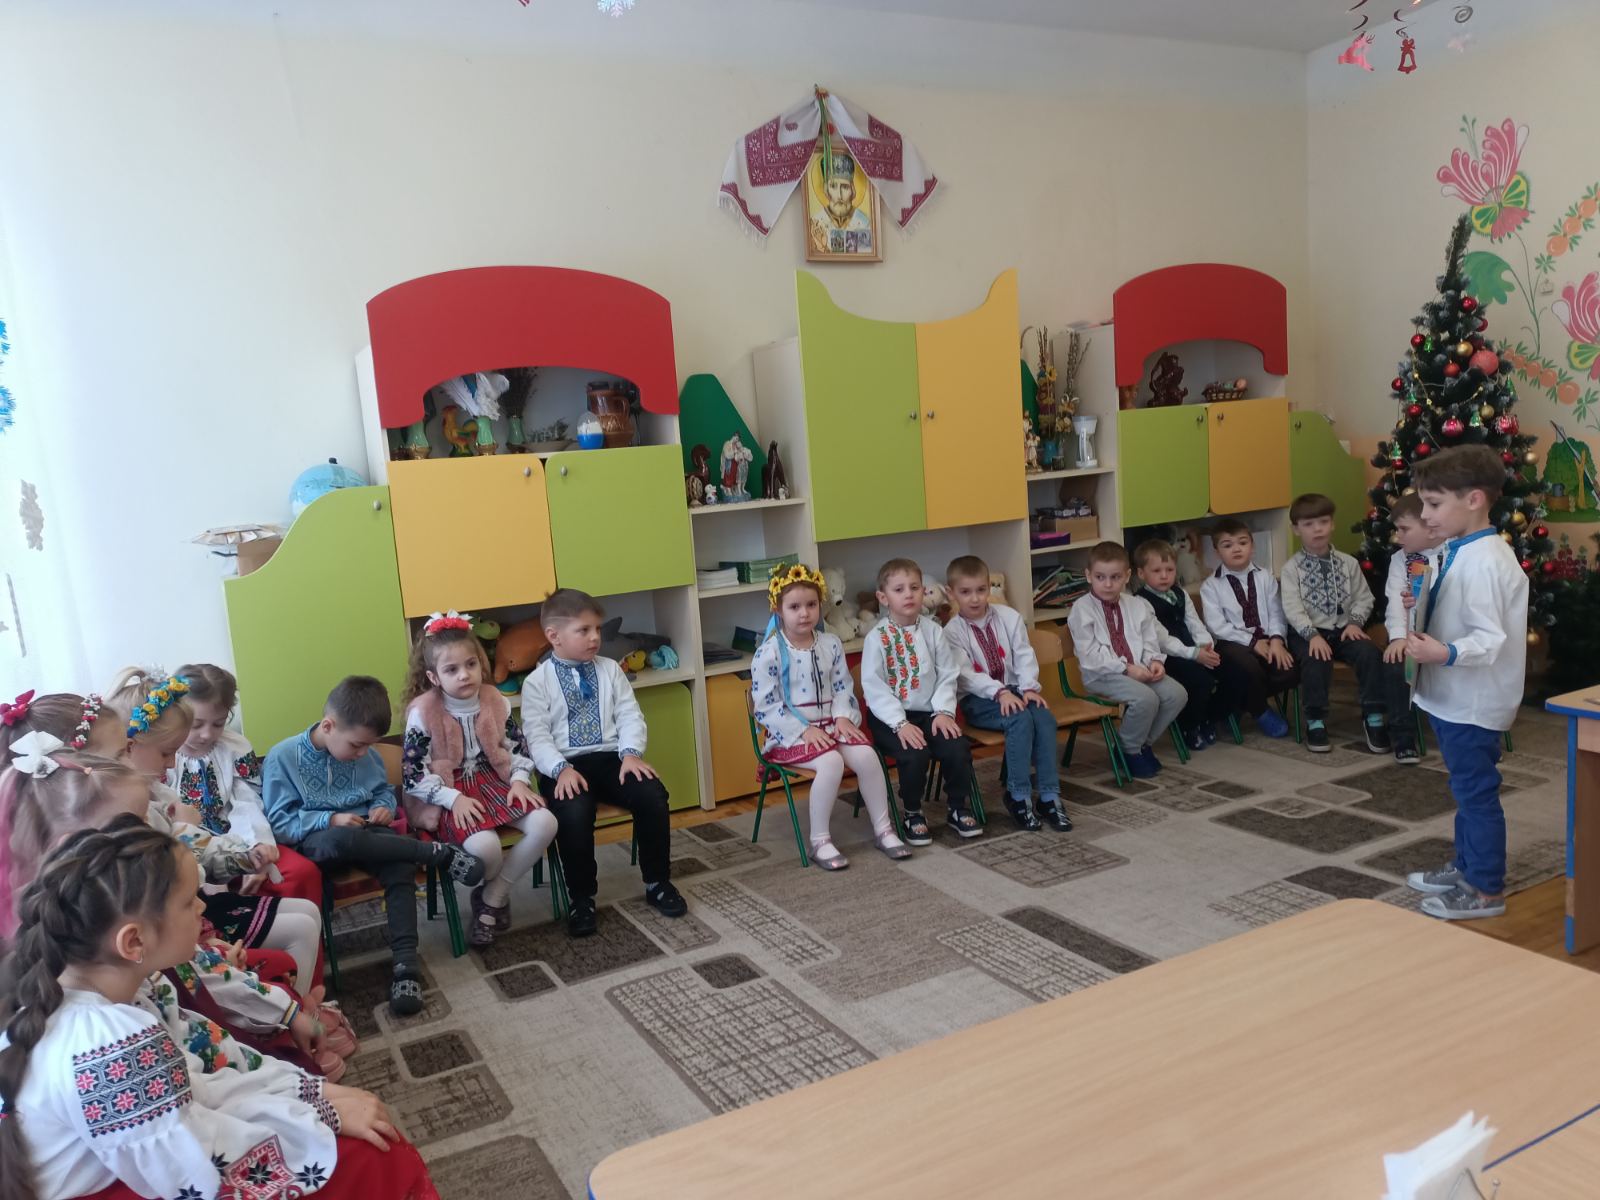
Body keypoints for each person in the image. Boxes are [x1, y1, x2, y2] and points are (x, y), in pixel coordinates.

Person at [0, 816, 438, 1200]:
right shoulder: (109, 1044)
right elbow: (195, 1163)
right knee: (373, 1156)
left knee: (356, 1132)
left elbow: (193, 1085)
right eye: (188, 901)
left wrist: (312, 1094)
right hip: (152, 1179)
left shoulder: (114, 998)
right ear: (134, 941)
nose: (202, 907)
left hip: (151, 1163)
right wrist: (320, 1115)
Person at [0, 703, 347, 1079]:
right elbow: (193, 1072)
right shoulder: (108, 1019)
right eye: (121, 751)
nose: (133, 760)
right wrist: (296, 1086)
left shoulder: (123, 933)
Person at [263, 676, 484, 1015]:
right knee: (344, 837)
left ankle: (406, 968)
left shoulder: (364, 751)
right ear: (328, 726)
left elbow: (381, 791)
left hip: (371, 836)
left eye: (369, 745)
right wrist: (330, 820)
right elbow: (280, 825)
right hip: (321, 843)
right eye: (356, 745)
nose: (363, 753)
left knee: (398, 863)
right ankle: (434, 853)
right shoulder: (282, 757)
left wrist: (383, 806)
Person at [100, 671, 324, 998]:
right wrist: (188, 829)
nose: (172, 762)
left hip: (198, 890)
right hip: (179, 919)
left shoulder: (158, 793)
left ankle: (302, 1002)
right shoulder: (132, 808)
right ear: (130, 747)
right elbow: (178, 873)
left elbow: (241, 808)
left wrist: (247, 854)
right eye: (166, 753)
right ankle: (298, 1009)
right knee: (300, 927)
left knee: (306, 907)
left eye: (218, 723)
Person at [1403, 445, 1528, 920]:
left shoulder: (1487, 561)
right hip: (1452, 698)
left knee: (1476, 795)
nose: (1425, 515)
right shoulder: (1462, 550)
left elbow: (1489, 639)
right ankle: (1468, 866)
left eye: (1434, 503)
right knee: (1465, 790)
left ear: (1474, 499)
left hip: (1473, 702)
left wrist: (1444, 652)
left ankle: (1485, 889)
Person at [521, 589, 685, 939]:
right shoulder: (537, 682)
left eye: (597, 628)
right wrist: (560, 769)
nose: (595, 637)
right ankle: (581, 898)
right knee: (574, 812)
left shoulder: (611, 670)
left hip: (613, 760)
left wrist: (631, 753)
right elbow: (536, 736)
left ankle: (658, 882)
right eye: (584, 630)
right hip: (563, 768)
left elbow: (630, 715)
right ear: (554, 636)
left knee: (652, 794)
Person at [399, 612, 558, 946]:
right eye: (451, 669)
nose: (464, 675)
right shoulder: (423, 711)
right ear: (433, 676)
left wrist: (519, 780)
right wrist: (453, 798)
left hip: (495, 781)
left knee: (546, 822)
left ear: (481, 663)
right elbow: (413, 775)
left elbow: (518, 746)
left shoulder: (494, 699)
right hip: (447, 791)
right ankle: (493, 893)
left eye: (471, 664)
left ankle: (492, 897)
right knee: (486, 848)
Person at [750, 565, 909, 870]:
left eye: (811, 605)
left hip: (832, 727)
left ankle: (884, 830)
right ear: (778, 609)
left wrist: (843, 717)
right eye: (794, 607)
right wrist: (803, 730)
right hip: (791, 736)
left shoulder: (830, 644)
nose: (804, 613)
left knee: (867, 756)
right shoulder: (768, 653)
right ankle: (820, 841)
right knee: (831, 761)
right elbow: (766, 706)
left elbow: (842, 687)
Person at [167, 663, 323, 906]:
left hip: (238, 839)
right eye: (196, 724)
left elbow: (247, 802)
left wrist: (255, 848)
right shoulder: (163, 753)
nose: (207, 734)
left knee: (301, 873)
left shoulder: (234, 747)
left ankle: (300, 928)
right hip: (184, 851)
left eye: (218, 723)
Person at [1279, 494, 1416, 762]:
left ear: (1332, 524)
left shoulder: (1348, 563)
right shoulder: (1291, 569)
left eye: (1323, 522)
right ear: (1296, 529)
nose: (1317, 529)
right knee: (1315, 658)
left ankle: (1373, 716)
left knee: (1369, 653)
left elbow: (1364, 598)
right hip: (1308, 632)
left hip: (1344, 629)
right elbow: (1292, 608)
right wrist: (1312, 635)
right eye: (1308, 524)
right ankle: (1315, 720)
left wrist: (1354, 623)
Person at [942, 555, 1069, 832]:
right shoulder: (951, 632)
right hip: (978, 699)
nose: (975, 598)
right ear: (951, 593)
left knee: (1044, 718)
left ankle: (1049, 796)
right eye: (965, 592)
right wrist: (999, 692)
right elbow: (965, 674)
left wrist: (1028, 687)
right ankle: (1018, 796)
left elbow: (1024, 654)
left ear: (990, 587)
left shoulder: (1009, 617)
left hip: (1017, 690)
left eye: (981, 590)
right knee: (1019, 720)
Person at [860, 559, 981, 845]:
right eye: (899, 589)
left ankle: (957, 806)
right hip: (890, 718)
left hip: (931, 712)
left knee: (956, 746)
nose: (908, 595)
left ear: (924, 591)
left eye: (914, 588)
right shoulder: (876, 638)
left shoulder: (933, 631)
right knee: (915, 754)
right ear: (883, 598)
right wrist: (899, 723)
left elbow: (947, 674)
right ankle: (913, 811)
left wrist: (943, 712)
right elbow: (874, 688)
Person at [1068, 542, 1186, 779]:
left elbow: (1149, 639)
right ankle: (1130, 750)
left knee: (1177, 694)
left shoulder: (1136, 605)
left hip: (1139, 669)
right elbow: (1090, 656)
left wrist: (1154, 661)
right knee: (1146, 699)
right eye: (1100, 577)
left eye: (1115, 577)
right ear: (1088, 576)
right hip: (1102, 675)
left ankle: (1137, 744)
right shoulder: (1082, 610)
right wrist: (1126, 669)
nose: (1108, 584)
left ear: (1127, 576)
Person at [1199, 520, 1299, 738]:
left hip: (1268, 638)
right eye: (1227, 545)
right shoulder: (1211, 586)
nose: (1236, 549)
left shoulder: (1265, 577)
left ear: (1252, 546)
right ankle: (1260, 710)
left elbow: (1276, 612)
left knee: (1289, 670)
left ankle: (1238, 703)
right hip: (1232, 643)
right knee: (1248, 669)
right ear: (1217, 552)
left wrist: (1276, 641)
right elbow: (1217, 626)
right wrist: (1252, 643)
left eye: (1242, 543)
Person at [1133, 539, 1222, 752]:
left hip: (1192, 650)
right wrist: (1193, 654)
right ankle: (1189, 726)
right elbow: (1162, 639)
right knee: (1200, 680)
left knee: (1224, 670)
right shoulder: (1141, 602)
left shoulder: (1180, 594)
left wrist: (1205, 645)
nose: (1164, 576)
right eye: (1157, 571)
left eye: (1170, 570)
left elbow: (1194, 622)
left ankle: (1208, 716)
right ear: (1141, 573)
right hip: (1166, 657)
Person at [1382, 492, 1443, 664]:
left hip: (1447, 639)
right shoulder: (1400, 559)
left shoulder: (1455, 553)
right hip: (1411, 637)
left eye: (1404, 529)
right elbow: (1395, 599)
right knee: (1395, 664)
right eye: (1396, 529)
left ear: (1431, 530)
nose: (1397, 535)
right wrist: (1398, 637)